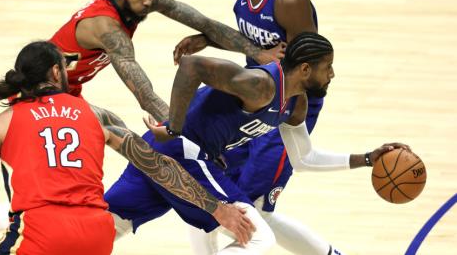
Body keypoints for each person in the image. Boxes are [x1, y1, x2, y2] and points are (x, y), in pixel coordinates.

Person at [106, 32, 410, 254]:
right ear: (305, 69)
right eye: (326, 66)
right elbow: (191, 67)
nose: (332, 73)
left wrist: (368, 158)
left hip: (161, 152)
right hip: (184, 152)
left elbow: (303, 158)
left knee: (108, 223)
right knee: (256, 236)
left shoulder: (296, 104)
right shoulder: (261, 85)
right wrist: (174, 126)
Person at [0, 41, 254, 254]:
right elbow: (159, 166)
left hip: (41, 232)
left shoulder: (6, 121)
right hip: (95, 236)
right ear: (56, 72)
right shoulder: (97, 116)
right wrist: (217, 208)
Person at [173, 0, 336, 253]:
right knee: (203, 196)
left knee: (256, 211)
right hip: (252, 102)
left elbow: (307, 65)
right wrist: (209, 38)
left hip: (288, 104)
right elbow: (257, 45)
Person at [50, 0, 283, 124]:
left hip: (70, 87)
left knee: (110, 127)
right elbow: (145, 95)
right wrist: (183, 134)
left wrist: (258, 53)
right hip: (41, 90)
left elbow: (205, 24)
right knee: (110, 128)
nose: (149, 3)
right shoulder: (107, 28)